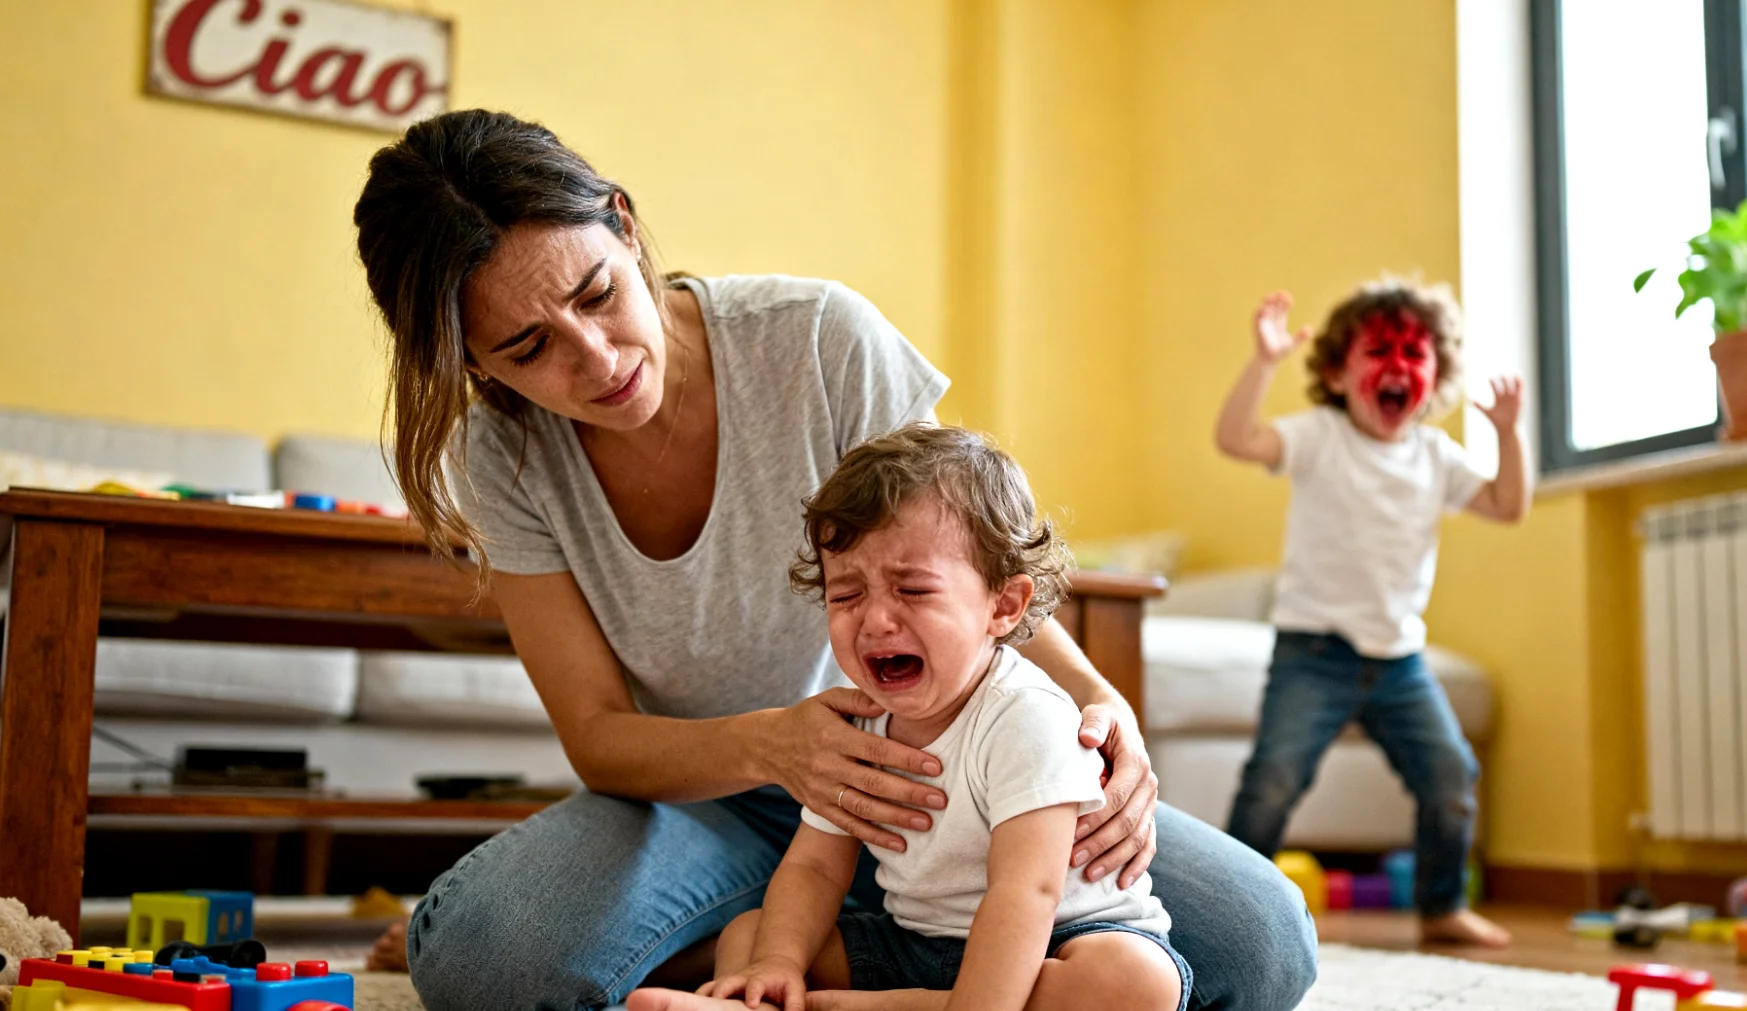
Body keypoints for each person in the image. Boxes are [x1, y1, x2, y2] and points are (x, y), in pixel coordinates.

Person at [352, 107, 1316, 1010]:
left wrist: (1106, 711)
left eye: (597, 293)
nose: (598, 358)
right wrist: (777, 746)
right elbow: (599, 734)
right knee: (489, 954)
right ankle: (817, 940)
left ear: (624, 224)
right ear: (474, 362)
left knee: (1259, 943)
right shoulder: (502, 454)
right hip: (712, 804)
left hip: (946, 778)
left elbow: (977, 578)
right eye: (529, 347)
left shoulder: (817, 338)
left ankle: (830, 951)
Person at [629, 424, 1187, 1011]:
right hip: (918, 945)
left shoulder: (1027, 716)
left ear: (1003, 606)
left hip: (1055, 939)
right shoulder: (859, 722)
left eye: (913, 591)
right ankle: (770, 1000)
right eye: (846, 596)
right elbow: (816, 868)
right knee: (752, 936)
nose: (875, 621)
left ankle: (893, 1007)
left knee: (1135, 981)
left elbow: (1027, 892)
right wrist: (778, 963)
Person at [1213, 282, 1528, 947]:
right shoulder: (1320, 436)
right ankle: (1230, 909)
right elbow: (1235, 438)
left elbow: (1508, 505)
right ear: (1336, 373)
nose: (1398, 365)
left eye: (1415, 354)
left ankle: (1442, 905)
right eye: (1378, 351)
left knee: (1450, 776)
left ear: (1436, 376)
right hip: (1313, 651)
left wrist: (1507, 433)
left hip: (1399, 660)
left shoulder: (1436, 456)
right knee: (1273, 781)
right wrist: (1264, 362)